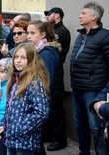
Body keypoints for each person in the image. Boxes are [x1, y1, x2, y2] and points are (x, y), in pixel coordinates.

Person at [0, 43, 50, 155]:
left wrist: (21, 129)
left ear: (31, 60)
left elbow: (41, 112)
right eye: (16, 57)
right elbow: (9, 109)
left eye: (23, 58)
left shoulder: (34, 82)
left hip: (25, 141)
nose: (18, 61)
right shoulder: (14, 81)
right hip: (11, 139)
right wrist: (3, 125)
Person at [70, 2, 109, 154]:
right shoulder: (81, 36)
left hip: (93, 90)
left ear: (94, 16)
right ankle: (83, 152)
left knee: (96, 126)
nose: (80, 15)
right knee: (80, 124)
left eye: (84, 13)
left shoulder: (105, 36)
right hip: (77, 87)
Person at [27, 20, 60, 155]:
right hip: (36, 99)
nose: (28, 36)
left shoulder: (46, 53)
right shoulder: (37, 50)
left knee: (35, 141)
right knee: (35, 141)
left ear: (43, 35)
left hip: (39, 101)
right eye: (28, 32)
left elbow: (46, 80)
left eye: (32, 33)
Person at [44, 7, 71, 151]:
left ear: (57, 15)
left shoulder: (61, 31)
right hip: (51, 73)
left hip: (56, 73)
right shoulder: (53, 30)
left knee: (56, 108)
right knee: (50, 107)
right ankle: (50, 136)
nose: (47, 16)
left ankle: (60, 140)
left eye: (49, 14)